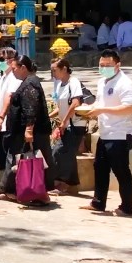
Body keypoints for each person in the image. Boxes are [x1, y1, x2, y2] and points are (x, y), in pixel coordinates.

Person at [82, 49, 132, 216]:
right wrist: (90, 109)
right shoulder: (102, 82)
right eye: (101, 65)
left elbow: (130, 107)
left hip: (120, 133)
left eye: (108, 65)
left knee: (121, 170)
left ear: (117, 65)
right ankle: (98, 203)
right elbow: (99, 102)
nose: (104, 68)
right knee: (100, 168)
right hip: (105, 132)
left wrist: (103, 109)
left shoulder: (124, 83)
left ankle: (127, 206)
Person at [0, 55, 55, 201]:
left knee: (30, 160)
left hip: (30, 131)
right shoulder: (26, 82)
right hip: (19, 130)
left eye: (14, 68)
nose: (13, 71)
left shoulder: (30, 84)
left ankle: (37, 192)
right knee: (14, 159)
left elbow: (31, 108)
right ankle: (9, 189)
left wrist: (29, 130)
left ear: (23, 68)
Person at [49, 58, 85, 193]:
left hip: (75, 124)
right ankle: (64, 181)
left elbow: (75, 103)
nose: (53, 73)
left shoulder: (73, 82)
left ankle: (64, 183)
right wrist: (49, 117)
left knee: (62, 151)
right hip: (65, 124)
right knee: (63, 152)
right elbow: (60, 107)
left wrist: (64, 122)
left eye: (55, 70)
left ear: (64, 69)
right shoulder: (59, 85)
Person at [0, 48, 22, 194]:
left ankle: (9, 189)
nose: (0, 62)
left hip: (8, 122)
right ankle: (4, 186)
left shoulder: (14, 78)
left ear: (11, 60)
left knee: (9, 157)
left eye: (2, 59)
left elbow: (9, 98)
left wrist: (2, 115)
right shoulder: (3, 77)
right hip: (1, 123)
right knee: (2, 156)